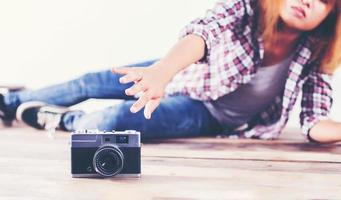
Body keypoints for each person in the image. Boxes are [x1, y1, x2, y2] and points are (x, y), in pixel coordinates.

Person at [1, 0, 341, 143]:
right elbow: (203, 33)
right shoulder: (245, 7)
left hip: (206, 112)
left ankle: (62, 120)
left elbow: (314, 123)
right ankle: (11, 101)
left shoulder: (313, 55)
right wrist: (163, 71)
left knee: (115, 120)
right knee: (91, 82)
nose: (307, 0)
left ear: (331, 16)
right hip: (175, 72)